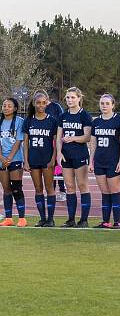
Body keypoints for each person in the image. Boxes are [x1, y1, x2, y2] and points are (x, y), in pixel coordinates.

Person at [56, 87, 93, 228]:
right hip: (66, 156)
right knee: (70, 187)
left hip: (80, 155)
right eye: (68, 98)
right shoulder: (63, 116)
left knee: (83, 186)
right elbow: (59, 137)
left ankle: (83, 220)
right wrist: (59, 153)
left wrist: (73, 138)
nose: (70, 100)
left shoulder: (84, 115)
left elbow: (87, 137)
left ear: (79, 98)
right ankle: (70, 219)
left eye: (73, 97)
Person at [89, 94, 120, 229]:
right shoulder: (96, 122)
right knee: (104, 192)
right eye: (102, 103)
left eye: (107, 103)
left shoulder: (119, 121)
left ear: (113, 105)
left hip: (113, 161)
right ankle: (106, 221)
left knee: (114, 191)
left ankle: (117, 221)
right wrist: (91, 161)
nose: (104, 106)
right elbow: (93, 143)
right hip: (99, 161)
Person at [22, 91, 58, 227]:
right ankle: (42, 218)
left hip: (47, 159)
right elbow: (26, 143)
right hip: (34, 159)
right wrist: (26, 161)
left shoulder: (52, 121)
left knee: (50, 189)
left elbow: (56, 143)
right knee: (38, 189)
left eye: (44, 102)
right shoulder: (29, 121)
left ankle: (51, 219)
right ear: (34, 103)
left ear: (47, 102)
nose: (41, 105)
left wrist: (53, 159)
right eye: (38, 102)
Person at [0, 98, 26, 227]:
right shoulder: (0, 122)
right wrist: (1, 158)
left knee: (16, 188)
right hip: (2, 161)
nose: (6, 108)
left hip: (15, 159)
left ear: (15, 108)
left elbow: (18, 141)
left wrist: (9, 158)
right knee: (6, 190)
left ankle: (22, 218)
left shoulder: (20, 122)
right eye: (4, 105)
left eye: (9, 106)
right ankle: (8, 218)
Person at [46, 96, 66, 201]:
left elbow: (61, 121)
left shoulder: (56, 107)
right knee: (50, 167)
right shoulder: (39, 107)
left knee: (59, 167)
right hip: (47, 142)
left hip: (57, 140)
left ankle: (63, 191)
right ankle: (51, 191)